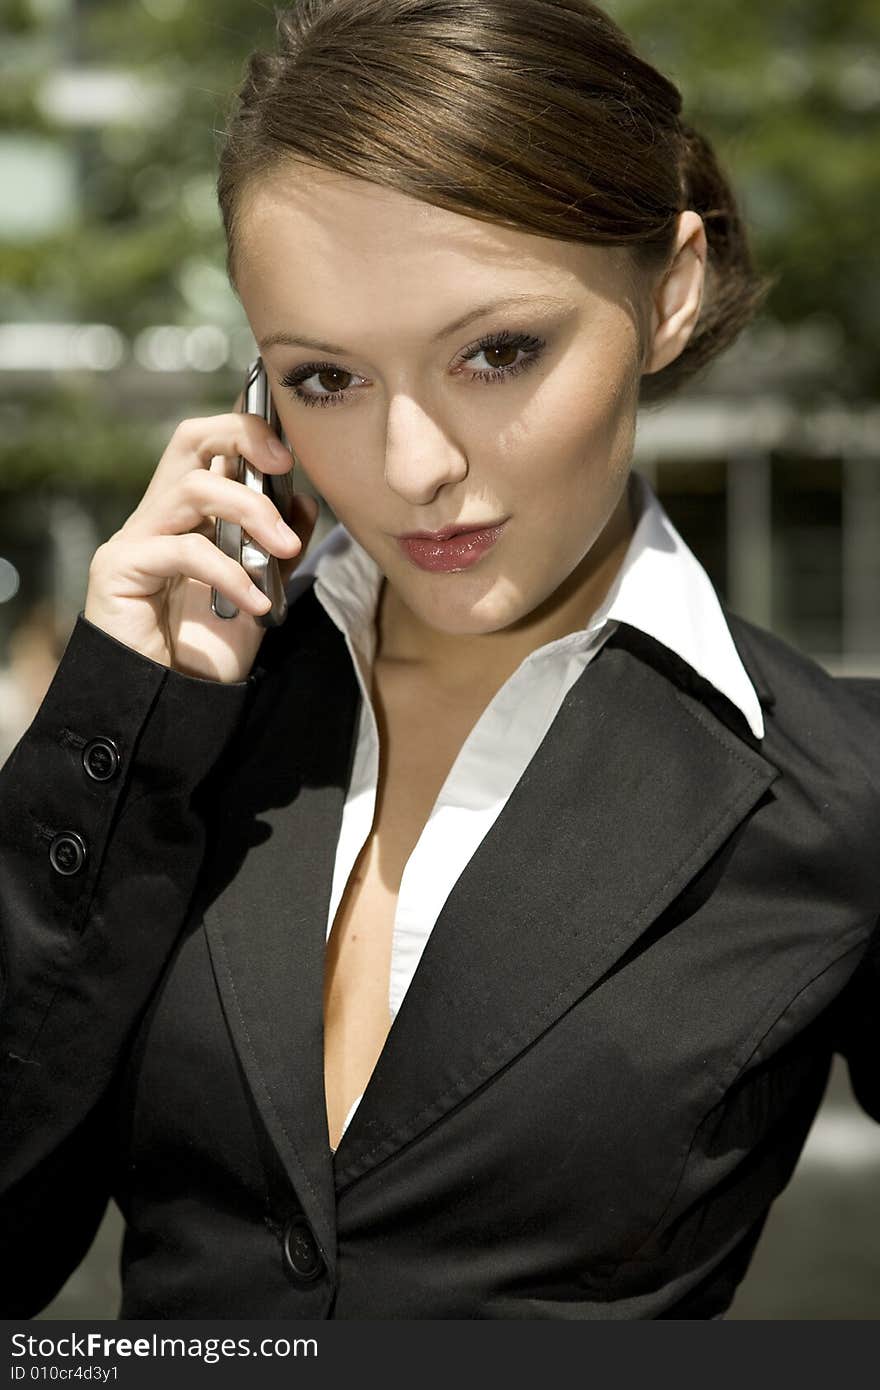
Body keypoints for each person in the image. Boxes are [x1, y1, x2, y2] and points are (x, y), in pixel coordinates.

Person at [1, 0, 878, 1321]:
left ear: (670, 291)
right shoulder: (185, 728)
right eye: (327, 378)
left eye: (496, 352)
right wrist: (117, 715)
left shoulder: (831, 791)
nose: (415, 470)